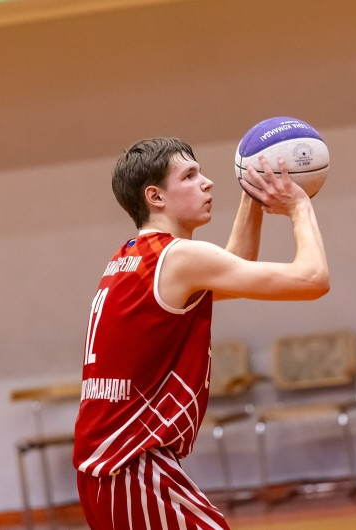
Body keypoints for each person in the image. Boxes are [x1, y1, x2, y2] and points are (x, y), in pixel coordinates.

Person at [72, 137, 329, 529]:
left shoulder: (132, 256)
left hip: (113, 468)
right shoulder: (179, 257)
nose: (207, 182)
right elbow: (312, 279)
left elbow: (233, 267)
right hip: (132, 466)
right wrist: (299, 206)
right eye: (190, 176)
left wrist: (251, 194)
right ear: (155, 196)